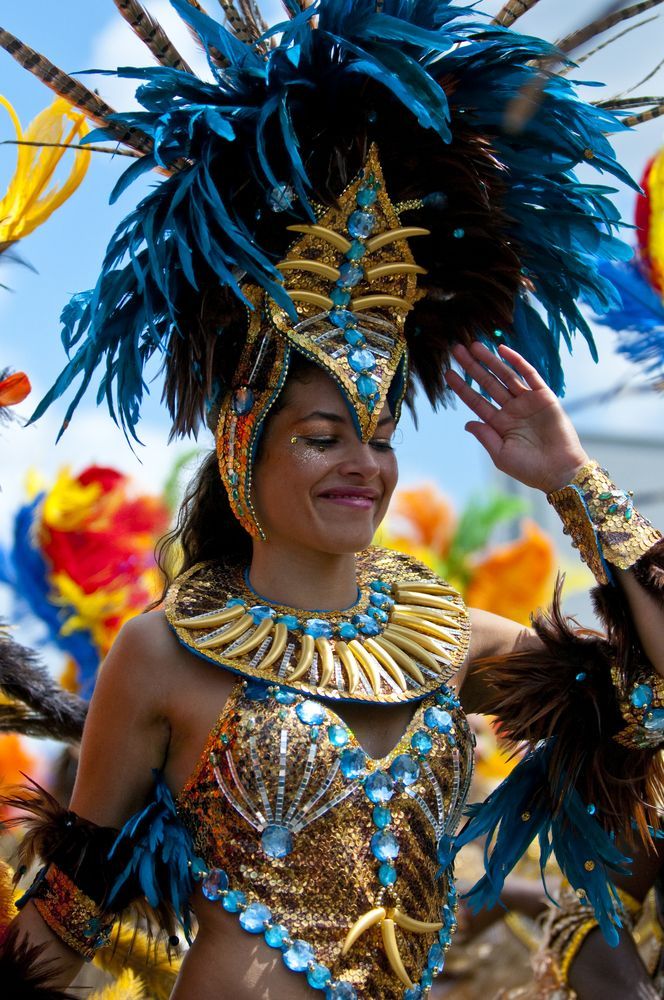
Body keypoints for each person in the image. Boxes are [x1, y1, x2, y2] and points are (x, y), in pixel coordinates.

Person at [1, 3, 664, 998]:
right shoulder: (162, 652)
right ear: (242, 451)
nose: (363, 462)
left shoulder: (448, 642)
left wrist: (573, 479)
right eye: (322, 435)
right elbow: (78, 904)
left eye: (383, 434)